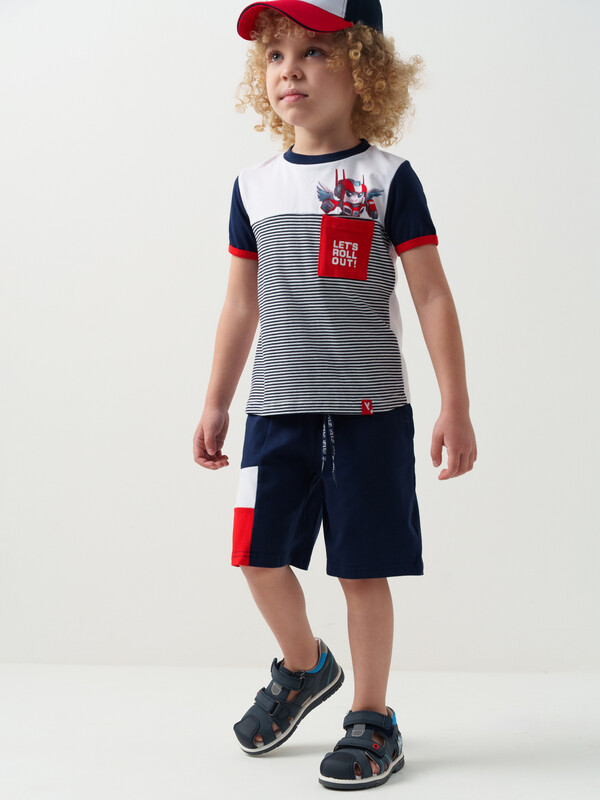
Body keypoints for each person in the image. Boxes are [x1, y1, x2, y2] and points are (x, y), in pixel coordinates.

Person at [193, 0, 477, 790]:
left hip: (368, 417)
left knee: (361, 569)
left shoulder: (389, 180)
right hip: (273, 413)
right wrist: (217, 401)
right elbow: (240, 305)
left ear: (365, 71)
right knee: (257, 558)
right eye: (277, 55)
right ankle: (304, 666)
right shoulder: (254, 187)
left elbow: (431, 295)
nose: (291, 70)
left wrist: (455, 403)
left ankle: (372, 717)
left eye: (315, 51)